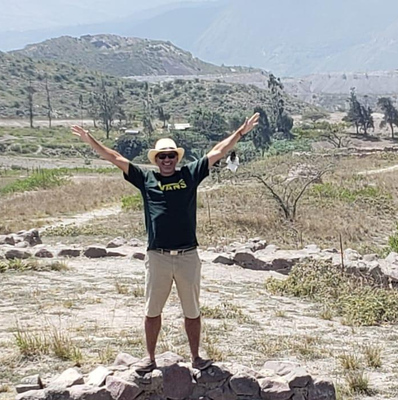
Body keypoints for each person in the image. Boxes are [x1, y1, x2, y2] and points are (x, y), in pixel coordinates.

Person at [71, 112, 260, 373]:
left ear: (177, 158)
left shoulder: (190, 174)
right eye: (162, 156)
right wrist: (90, 140)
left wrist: (241, 132)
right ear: (156, 160)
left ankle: (196, 357)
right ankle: (150, 358)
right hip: (158, 255)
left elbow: (218, 151)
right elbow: (115, 158)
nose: (167, 160)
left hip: (187, 255)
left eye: (171, 155)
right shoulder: (146, 178)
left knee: (192, 311)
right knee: (152, 311)